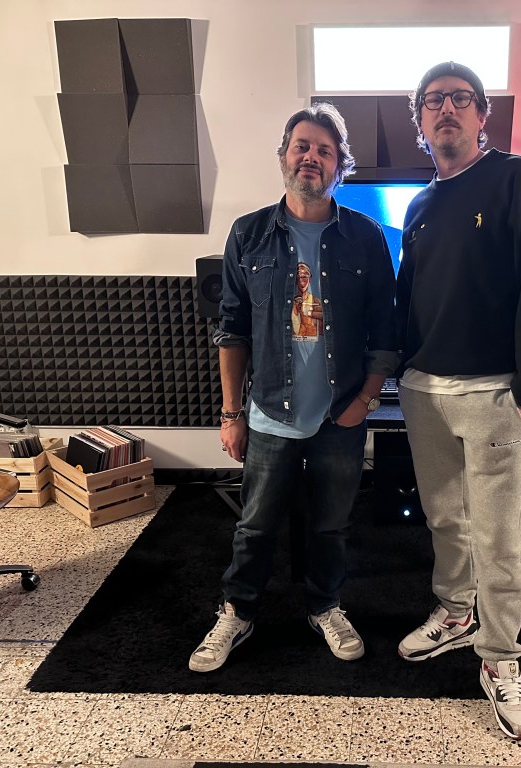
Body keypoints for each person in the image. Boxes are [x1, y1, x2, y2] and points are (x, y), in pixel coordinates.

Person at [394, 62, 521, 740]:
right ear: (419, 119)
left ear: (482, 113)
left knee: (500, 538)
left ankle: (499, 657)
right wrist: (401, 370)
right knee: (446, 519)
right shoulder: (419, 206)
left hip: (493, 391)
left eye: (460, 99)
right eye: (433, 100)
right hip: (425, 390)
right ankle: (456, 612)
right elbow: (411, 296)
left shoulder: (519, 180)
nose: (447, 109)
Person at [189, 103, 397, 673]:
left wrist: (364, 402)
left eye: (325, 150)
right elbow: (232, 330)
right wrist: (231, 413)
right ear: (284, 155)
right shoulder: (248, 234)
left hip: (339, 413)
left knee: (331, 525)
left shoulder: (365, 237)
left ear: (340, 166)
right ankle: (238, 611)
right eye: (302, 146)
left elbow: (386, 332)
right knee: (255, 525)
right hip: (268, 413)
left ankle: (325, 606)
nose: (312, 157)